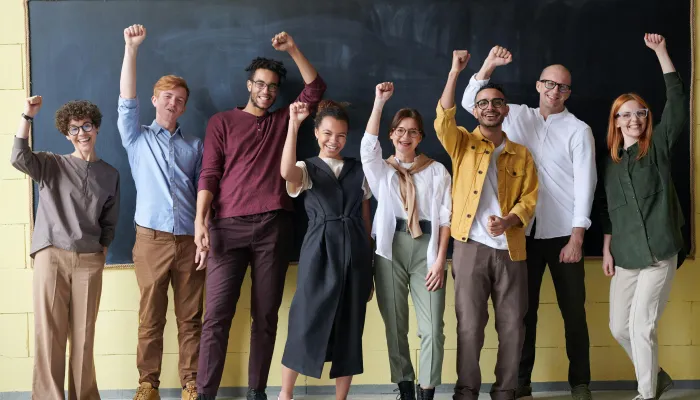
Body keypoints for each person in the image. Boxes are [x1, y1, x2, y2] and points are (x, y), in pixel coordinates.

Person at [194, 31, 327, 400]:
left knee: (265, 318)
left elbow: (316, 89)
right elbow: (209, 173)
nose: (267, 91)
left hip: (273, 226)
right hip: (226, 228)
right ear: (249, 85)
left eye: (273, 87)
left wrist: (292, 49)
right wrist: (199, 221)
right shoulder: (222, 122)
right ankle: (206, 394)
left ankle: (257, 392)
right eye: (261, 84)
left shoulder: (285, 118)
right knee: (216, 316)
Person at [462, 45, 596, 400]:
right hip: (519, 234)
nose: (555, 91)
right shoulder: (515, 115)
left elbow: (587, 184)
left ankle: (580, 382)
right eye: (550, 84)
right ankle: (521, 382)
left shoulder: (579, 130)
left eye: (563, 87)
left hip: (564, 235)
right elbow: (469, 103)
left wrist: (578, 238)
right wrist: (487, 66)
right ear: (538, 86)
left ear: (569, 93)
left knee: (573, 314)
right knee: (523, 315)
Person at [438, 50, 538, 400]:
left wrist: (510, 219)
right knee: (469, 326)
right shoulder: (462, 143)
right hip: (469, 247)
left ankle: (506, 390)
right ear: (476, 109)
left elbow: (530, 198)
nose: (490, 107)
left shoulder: (521, 153)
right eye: (483, 103)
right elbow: (443, 119)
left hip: (511, 249)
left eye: (497, 102)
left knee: (512, 326)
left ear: (506, 109)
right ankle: (466, 391)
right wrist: (454, 72)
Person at [117, 24, 206, 400]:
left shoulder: (196, 145)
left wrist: (205, 237)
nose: (173, 103)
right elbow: (126, 98)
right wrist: (131, 49)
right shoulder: (135, 137)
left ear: (185, 106)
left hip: (189, 240)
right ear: (154, 100)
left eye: (180, 99)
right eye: (167, 96)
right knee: (150, 318)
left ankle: (190, 384)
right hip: (150, 239)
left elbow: (205, 193)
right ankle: (147, 385)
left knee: (191, 319)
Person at [11, 96, 120, 400]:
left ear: (96, 127)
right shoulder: (51, 164)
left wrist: (103, 249)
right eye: (74, 129)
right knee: (50, 334)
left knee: (84, 337)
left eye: (87, 126)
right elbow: (18, 157)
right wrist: (27, 116)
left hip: (89, 260)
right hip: (52, 257)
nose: (82, 133)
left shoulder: (110, 174)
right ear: (66, 134)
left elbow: (110, 220)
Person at [601, 33, 686, 400]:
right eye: (626, 114)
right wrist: (607, 250)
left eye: (640, 112)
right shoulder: (611, 165)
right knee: (619, 327)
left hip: (659, 253)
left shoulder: (659, 148)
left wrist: (661, 52)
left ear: (646, 118)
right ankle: (658, 377)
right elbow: (608, 211)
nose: (634, 118)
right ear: (616, 121)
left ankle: (647, 394)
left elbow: (678, 101)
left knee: (642, 327)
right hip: (626, 256)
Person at [361, 82, 452, 400]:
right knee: (395, 325)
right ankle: (405, 388)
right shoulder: (381, 171)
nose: (405, 136)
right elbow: (367, 146)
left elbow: (446, 219)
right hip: (389, 250)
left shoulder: (437, 171)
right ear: (391, 135)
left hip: (426, 249)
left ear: (421, 137)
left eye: (412, 131)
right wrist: (379, 102)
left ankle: (427, 390)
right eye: (399, 130)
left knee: (432, 329)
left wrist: (440, 259)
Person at [278, 100, 373, 400]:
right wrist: (293, 124)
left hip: (355, 252)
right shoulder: (307, 168)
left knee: (351, 324)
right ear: (317, 132)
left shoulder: (359, 170)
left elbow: (366, 217)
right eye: (328, 133)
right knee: (304, 318)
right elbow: (285, 172)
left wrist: (368, 259)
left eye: (341, 135)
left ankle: (341, 398)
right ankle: (285, 394)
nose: (334, 140)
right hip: (319, 250)